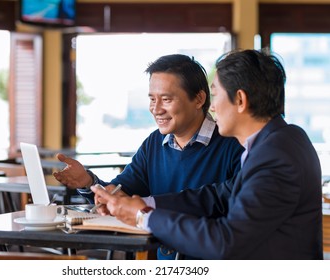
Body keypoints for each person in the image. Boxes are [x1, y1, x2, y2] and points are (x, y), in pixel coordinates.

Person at [91, 49, 323, 260]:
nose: (211, 107)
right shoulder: (281, 140)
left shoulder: (275, 156)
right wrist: (145, 203)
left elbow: (226, 241)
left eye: (215, 95)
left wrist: (144, 217)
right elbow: (217, 196)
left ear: (240, 100)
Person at [53, 54, 244, 259]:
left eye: (166, 99)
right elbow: (118, 196)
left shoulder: (233, 145)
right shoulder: (154, 144)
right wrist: (88, 182)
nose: (156, 109)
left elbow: (235, 218)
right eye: (152, 99)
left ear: (199, 99)